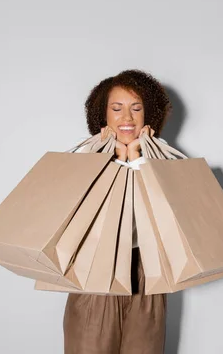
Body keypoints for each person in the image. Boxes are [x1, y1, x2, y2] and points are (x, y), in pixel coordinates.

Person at [63, 69, 172, 354]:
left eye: (137, 108)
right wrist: (111, 156)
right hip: (96, 272)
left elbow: (162, 220)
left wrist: (136, 156)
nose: (127, 118)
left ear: (149, 116)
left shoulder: (164, 163)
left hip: (147, 274)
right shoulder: (83, 160)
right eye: (117, 108)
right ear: (103, 115)